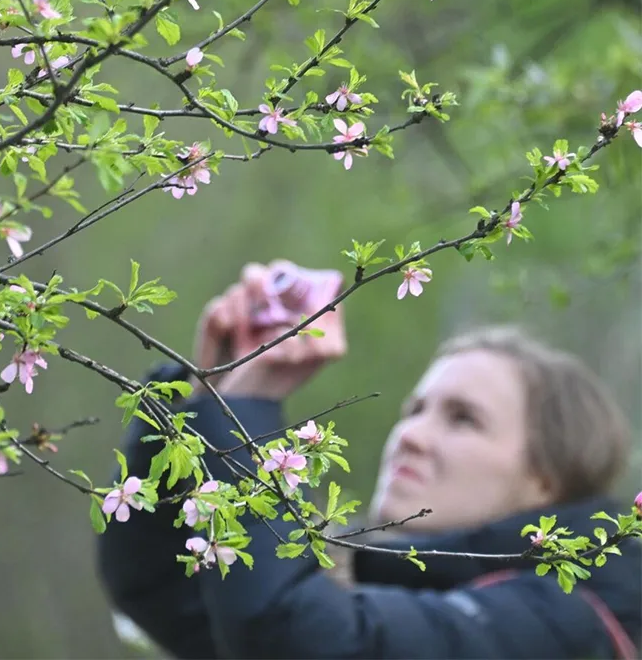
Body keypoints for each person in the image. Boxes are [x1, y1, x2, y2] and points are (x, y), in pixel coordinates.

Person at [96, 259, 641, 659]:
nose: (411, 435)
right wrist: (204, 395)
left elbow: (295, 639)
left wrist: (246, 414)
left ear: (547, 479)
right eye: (415, 409)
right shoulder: (377, 593)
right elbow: (161, 589)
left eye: (463, 419)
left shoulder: (570, 625)